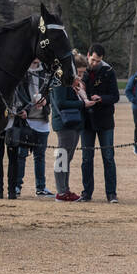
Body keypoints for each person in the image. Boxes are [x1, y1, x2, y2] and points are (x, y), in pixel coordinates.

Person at [79, 43, 119, 202]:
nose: (95, 63)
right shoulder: (81, 70)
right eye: (93, 60)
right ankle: (87, 192)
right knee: (86, 158)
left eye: (98, 61)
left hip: (105, 120)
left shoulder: (109, 72)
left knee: (108, 157)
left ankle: (111, 193)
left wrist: (101, 98)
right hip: (87, 120)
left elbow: (115, 96)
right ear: (88, 55)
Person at [51, 54, 87, 200]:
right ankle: (61, 191)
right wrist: (83, 103)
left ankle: (65, 189)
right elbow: (60, 103)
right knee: (62, 157)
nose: (81, 75)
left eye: (83, 72)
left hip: (74, 122)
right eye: (79, 72)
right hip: (64, 123)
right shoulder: (60, 81)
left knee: (68, 157)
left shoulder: (74, 83)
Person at [16, 58, 52, 195]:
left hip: (42, 120)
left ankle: (41, 187)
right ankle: (17, 185)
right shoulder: (21, 71)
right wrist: (23, 108)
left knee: (40, 156)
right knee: (22, 155)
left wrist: (45, 100)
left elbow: (50, 92)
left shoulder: (46, 72)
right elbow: (18, 93)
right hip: (26, 120)